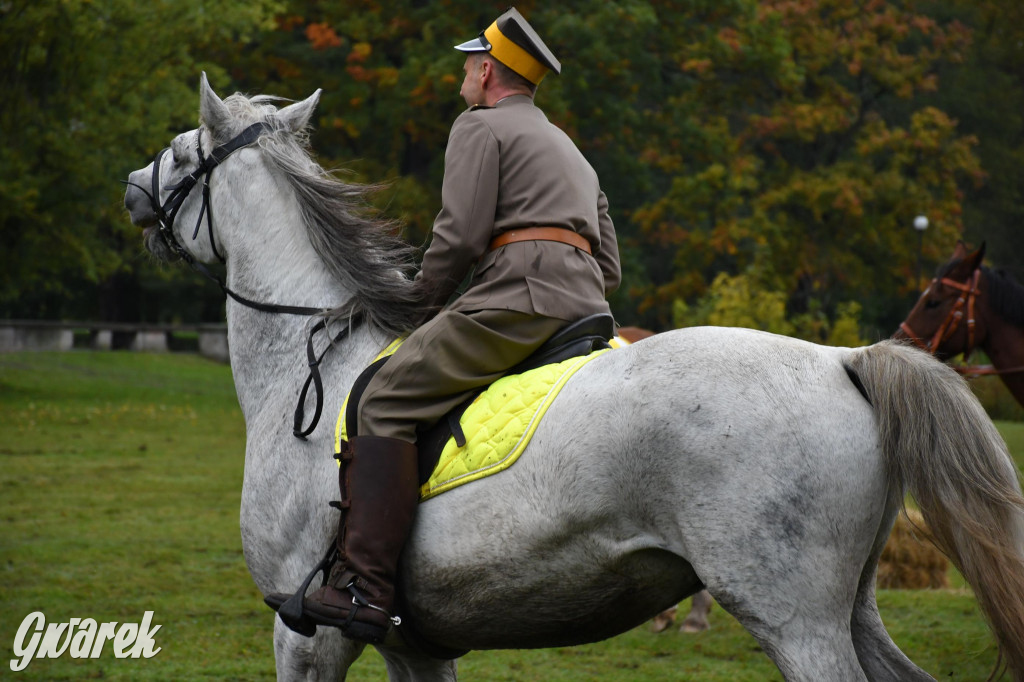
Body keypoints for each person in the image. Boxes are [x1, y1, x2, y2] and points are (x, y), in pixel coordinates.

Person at [266, 6, 621, 644]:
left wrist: (418, 302)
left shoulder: (478, 127)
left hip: (517, 301)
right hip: (588, 306)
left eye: (468, 63)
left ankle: (365, 589)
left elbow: (459, 236)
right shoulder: (571, 150)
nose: (462, 74)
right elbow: (611, 266)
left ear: (488, 72)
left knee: (383, 398)